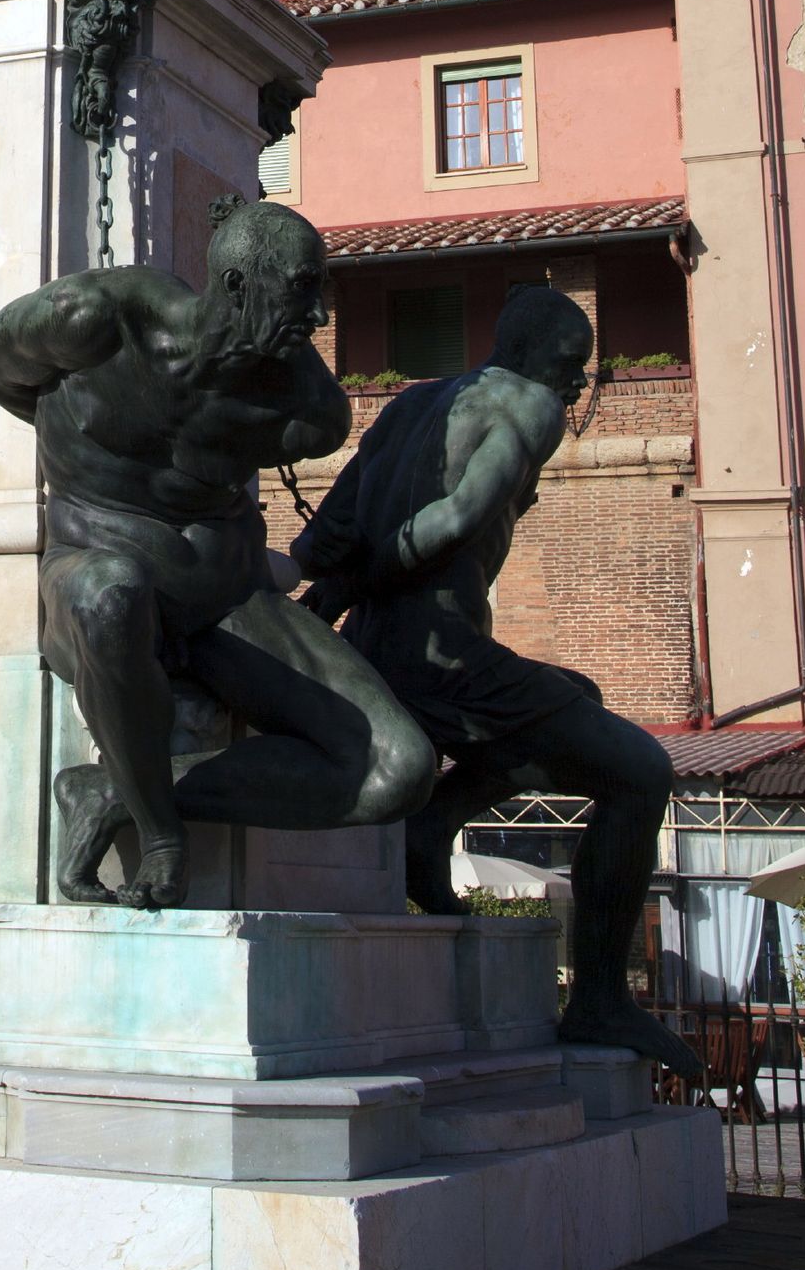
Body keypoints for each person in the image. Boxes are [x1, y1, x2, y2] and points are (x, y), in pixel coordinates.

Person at [0, 203, 434, 909]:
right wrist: (76, 439)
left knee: (399, 770)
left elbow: (308, 423)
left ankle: (115, 790)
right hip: (93, 567)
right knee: (111, 590)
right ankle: (161, 836)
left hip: (229, 600)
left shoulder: (304, 407)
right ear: (237, 284)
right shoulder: (93, 319)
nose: (320, 317)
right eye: (304, 289)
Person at [295, 284, 701, 1076]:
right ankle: (601, 1000)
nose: (577, 383)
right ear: (522, 353)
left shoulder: (414, 403)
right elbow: (457, 521)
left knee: (574, 696)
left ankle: (428, 828)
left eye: (581, 370)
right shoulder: (530, 405)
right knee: (639, 772)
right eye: (569, 364)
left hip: (384, 651)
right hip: (442, 657)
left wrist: (323, 601)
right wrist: (385, 573)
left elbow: (334, 526)